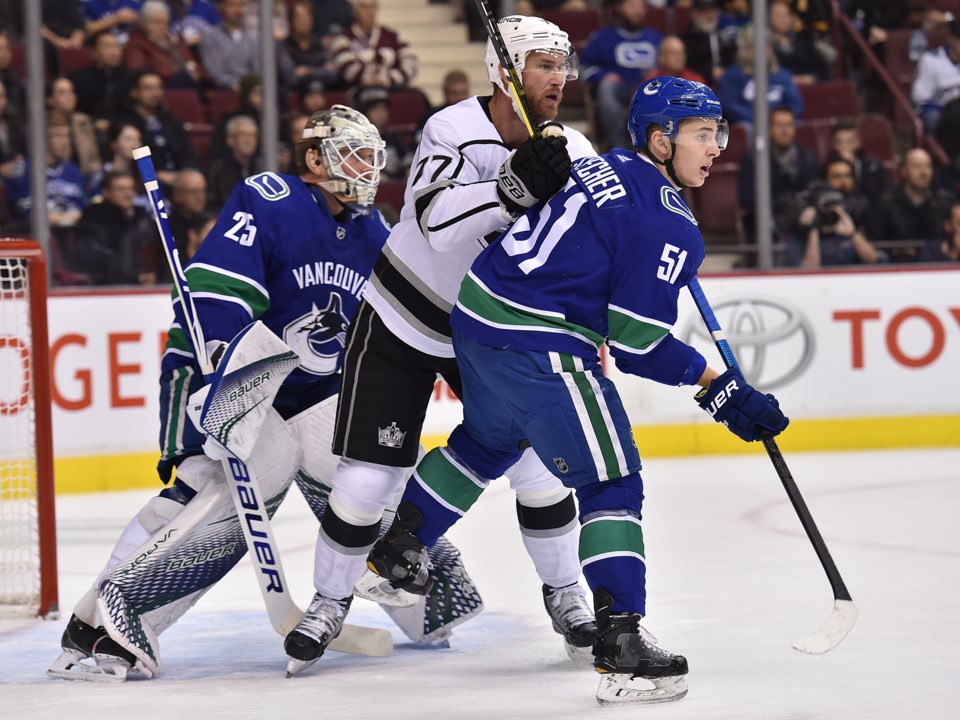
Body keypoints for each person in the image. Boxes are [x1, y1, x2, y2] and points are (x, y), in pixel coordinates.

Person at [366, 76, 789, 706]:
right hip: (540, 344)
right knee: (612, 480)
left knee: (489, 441)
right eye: (703, 134)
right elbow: (637, 345)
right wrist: (720, 388)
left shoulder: (602, 166)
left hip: (478, 322)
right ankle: (620, 645)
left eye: (719, 134)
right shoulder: (668, 224)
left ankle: (400, 545)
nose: (717, 148)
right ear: (660, 139)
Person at [46, 106, 479, 682]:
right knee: (212, 493)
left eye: (372, 155)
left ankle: (429, 600)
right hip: (232, 377)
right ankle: (108, 620)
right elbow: (216, 294)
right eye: (352, 153)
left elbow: (399, 321)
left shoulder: (376, 230)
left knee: (372, 469)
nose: (367, 168)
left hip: (315, 391)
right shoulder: (270, 198)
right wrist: (224, 369)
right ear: (312, 159)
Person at [283, 15, 599, 672]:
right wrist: (512, 189)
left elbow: (601, 237)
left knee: (542, 472)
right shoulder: (451, 128)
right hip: (404, 315)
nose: (558, 78)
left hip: (487, 331)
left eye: (562, 65)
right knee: (367, 480)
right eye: (543, 63)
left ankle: (567, 592)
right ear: (503, 69)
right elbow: (432, 221)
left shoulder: (574, 147)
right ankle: (329, 602)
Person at [581, 0, 663, 151]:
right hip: (618, 89)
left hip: (647, 90)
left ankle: (653, 149)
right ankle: (620, 147)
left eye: (641, 7)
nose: (638, 11)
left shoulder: (655, 37)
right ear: (618, 8)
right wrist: (603, 76)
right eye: (632, 6)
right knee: (606, 87)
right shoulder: (602, 37)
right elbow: (584, 70)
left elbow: (668, 66)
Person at [787, 158, 882, 267]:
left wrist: (852, 234)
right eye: (836, 177)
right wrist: (813, 229)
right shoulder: (801, 232)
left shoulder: (858, 216)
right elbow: (808, 273)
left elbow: (875, 261)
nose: (843, 181)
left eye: (847, 176)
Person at [866, 147, 956, 262]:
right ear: (903, 171)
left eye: (927, 166)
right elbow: (877, 244)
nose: (923, 172)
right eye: (917, 166)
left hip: (938, 265)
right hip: (896, 267)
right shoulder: (885, 204)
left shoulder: (945, 203)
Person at [329, 0, 418, 90]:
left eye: (373, 7)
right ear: (355, 11)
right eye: (364, 7)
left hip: (392, 91)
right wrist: (369, 78)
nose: (370, 12)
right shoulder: (343, 39)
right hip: (359, 93)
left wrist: (386, 79)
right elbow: (347, 68)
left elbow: (410, 64)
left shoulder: (395, 36)